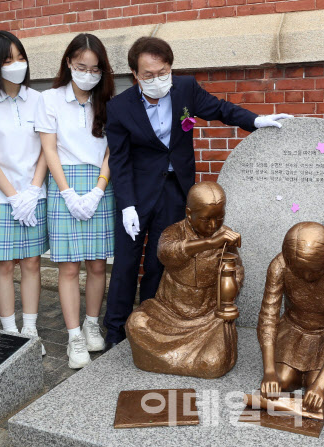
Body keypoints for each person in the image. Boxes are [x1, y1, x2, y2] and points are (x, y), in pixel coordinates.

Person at [103, 36, 292, 347]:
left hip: (174, 191)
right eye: (148, 75)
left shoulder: (185, 88)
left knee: (160, 261)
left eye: (163, 72)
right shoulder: (119, 107)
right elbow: (120, 161)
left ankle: (148, 322)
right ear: (134, 75)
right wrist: (126, 205)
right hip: (135, 194)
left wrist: (256, 120)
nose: (157, 80)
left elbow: (219, 109)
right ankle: (114, 333)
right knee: (126, 263)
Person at [35, 33, 115, 369]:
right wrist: (67, 192)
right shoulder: (49, 99)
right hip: (64, 182)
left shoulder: (110, 100)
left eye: (94, 68)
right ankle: (73, 337)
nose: (87, 73)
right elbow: (48, 148)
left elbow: (114, 148)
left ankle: (92, 323)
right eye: (81, 66)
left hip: (100, 182)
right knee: (68, 267)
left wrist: (98, 189)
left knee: (98, 264)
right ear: (69, 63)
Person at [0, 31, 48, 355]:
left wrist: (31, 190)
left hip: (33, 194)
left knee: (32, 263)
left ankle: (30, 331)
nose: (17, 65)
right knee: (2, 266)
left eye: (20, 57)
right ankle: (9, 332)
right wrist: (13, 195)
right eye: (7, 60)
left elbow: (47, 148)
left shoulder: (37, 99)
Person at [125, 182, 242, 378]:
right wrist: (209, 243)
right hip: (169, 313)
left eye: (219, 218)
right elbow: (166, 253)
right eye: (206, 219)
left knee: (213, 363)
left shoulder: (226, 236)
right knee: (136, 323)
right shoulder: (173, 232)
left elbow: (237, 269)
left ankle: (171, 360)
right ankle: (174, 360)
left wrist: (231, 288)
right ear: (189, 213)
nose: (213, 225)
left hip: (208, 317)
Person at [258, 222, 324, 412]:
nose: (306, 276)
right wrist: (269, 370)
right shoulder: (279, 266)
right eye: (298, 270)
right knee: (282, 381)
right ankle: (296, 373)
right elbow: (268, 317)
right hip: (293, 330)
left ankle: (313, 376)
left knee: (319, 385)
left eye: (314, 271)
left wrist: (320, 384)